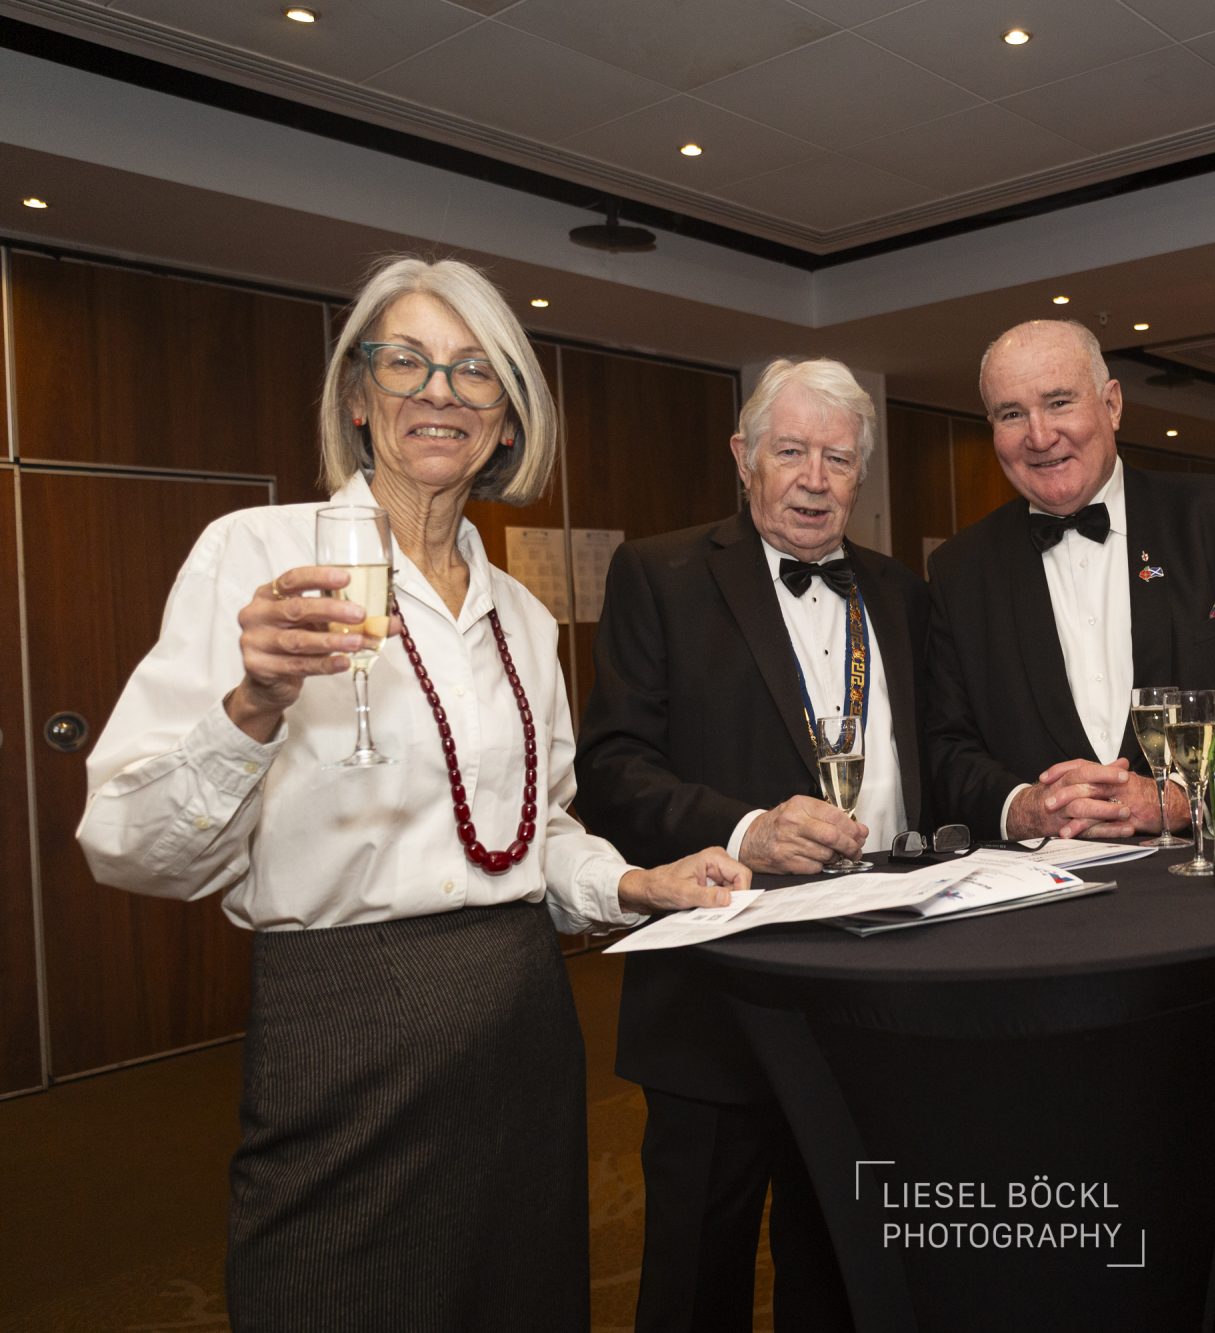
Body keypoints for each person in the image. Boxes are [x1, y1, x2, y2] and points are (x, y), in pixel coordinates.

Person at [75, 256, 747, 1332]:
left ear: (507, 419)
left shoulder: (521, 615)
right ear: (357, 395)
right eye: (407, 362)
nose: (441, 391)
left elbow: (533, 828)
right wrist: (252, 704)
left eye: (476, 370)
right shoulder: (255, 556)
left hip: (523, 1022)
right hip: (345, 1026)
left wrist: (635, 882)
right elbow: (128, 844)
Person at [924, 318, 1215, 1332]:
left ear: (1111, 404)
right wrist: (1021, 803)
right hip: (1044, 957)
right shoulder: (960, 569)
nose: (1039, 434)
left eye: (1058, 401)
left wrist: (1181, 797)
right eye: (1010, 414)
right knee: (1076, 1211)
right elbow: (943, 748)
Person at [576, 357, 928, 1331]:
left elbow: (937, 756)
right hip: (716, 990)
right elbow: (611, 767)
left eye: (837, 458)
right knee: (698, 1275)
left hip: (874, 997)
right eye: (790, 451)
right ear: (743, 457)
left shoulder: (901, 592)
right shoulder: (660, 574)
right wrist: (745, 830)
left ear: (860, 473)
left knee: (845, 1270)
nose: (814, 479)